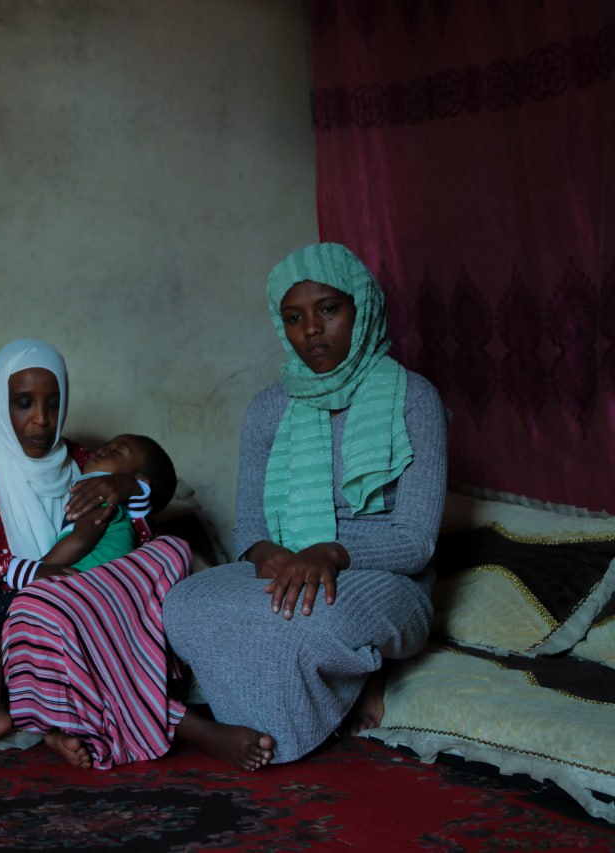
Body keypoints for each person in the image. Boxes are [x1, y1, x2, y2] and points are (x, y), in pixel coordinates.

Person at [163, 242, 447, 771]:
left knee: (302, 624)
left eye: (329, 310)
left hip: (386, 575)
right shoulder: (270, 406)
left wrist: (332, 553)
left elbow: (416, 540)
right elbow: (249, 523)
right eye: (295, 318)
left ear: (361, 308)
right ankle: (299, 700)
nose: (312, 329)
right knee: (184, 605)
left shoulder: (415, 398)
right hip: (292, 561)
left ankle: (305, 715)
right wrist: (267, 552)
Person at [0, 338, 194, 771]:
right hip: (22, 612)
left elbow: (138, 535)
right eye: (22, 403)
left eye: (54, 403)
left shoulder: (88, 463)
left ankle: (40, 721)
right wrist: (28, 574)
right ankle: (41, 720)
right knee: (6, 624)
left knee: (170, 554)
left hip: (85, 601)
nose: (41, 420)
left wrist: (131, 487)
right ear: (0, 402)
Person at [0, 432, 177, 761]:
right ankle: (56, 731)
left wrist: (34, 569)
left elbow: (81, 539)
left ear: (135, 481)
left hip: (80, 595)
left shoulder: (100, 493)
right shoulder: (119, 506)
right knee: (35, 661)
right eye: (106, 444)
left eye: (117, 450)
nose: (103, 449)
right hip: (87, 605)